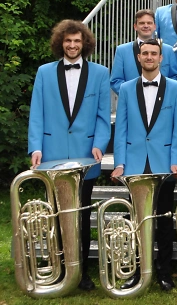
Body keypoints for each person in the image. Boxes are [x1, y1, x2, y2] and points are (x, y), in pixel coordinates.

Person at [28, 20, 111, 291]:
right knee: (56, 215)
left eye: (77, 41)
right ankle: (61, 268)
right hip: (52, 155)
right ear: (60, 43)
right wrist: (35, 147)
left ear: (84, 43)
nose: (72, 45)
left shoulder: (100, 73)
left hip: (86, 156)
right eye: (68, 41)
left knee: (82, 216)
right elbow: (37, 113)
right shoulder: (44, 72)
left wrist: (100, 144)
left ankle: (81, 272)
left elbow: (102, 116)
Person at [111, 39, 177, 292]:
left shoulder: (176, 88)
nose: (149, 57)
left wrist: (176, 161)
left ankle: (164, 272)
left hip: (164, 164)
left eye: (154, 53)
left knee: (164, 221)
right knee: (137, 221)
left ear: (161, 58)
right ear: (139, 57)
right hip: (134, 165)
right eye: (145, 53)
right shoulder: (126, 88)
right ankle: (137, 272)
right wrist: (120, 163)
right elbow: (121, 129)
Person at [110, 9, 177, 95]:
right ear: (135, 26)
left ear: (154, 26)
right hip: (132, 101)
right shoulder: (122, 50)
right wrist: (131, 95)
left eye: (149, 23)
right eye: (142, 23)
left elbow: (174, 77)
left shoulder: (168, 50)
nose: (146, 26)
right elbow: (116, 81)